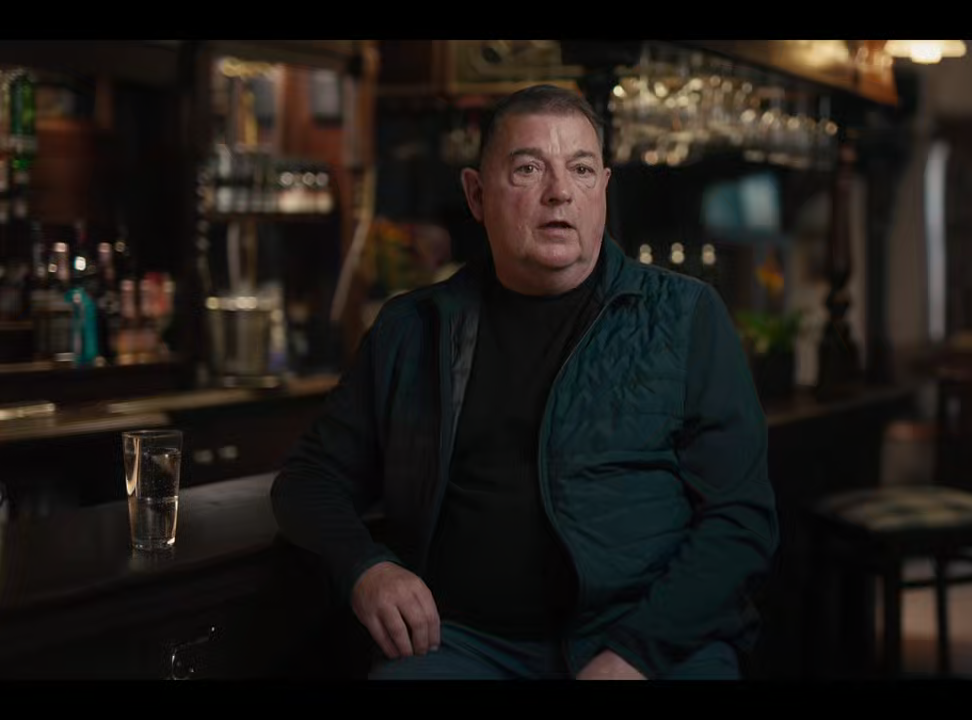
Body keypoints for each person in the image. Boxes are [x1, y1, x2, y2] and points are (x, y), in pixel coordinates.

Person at [270, 84, 778, 681]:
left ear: (603, 190)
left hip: (655, 638)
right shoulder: (411, 329)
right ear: (476, 194)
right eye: (529, 168)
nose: (559, 191)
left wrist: (637, 653)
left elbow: (740, 519)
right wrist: (366, 568)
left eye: (581, 169)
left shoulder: (685, 315)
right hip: (466, 644)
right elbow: (309, 480)